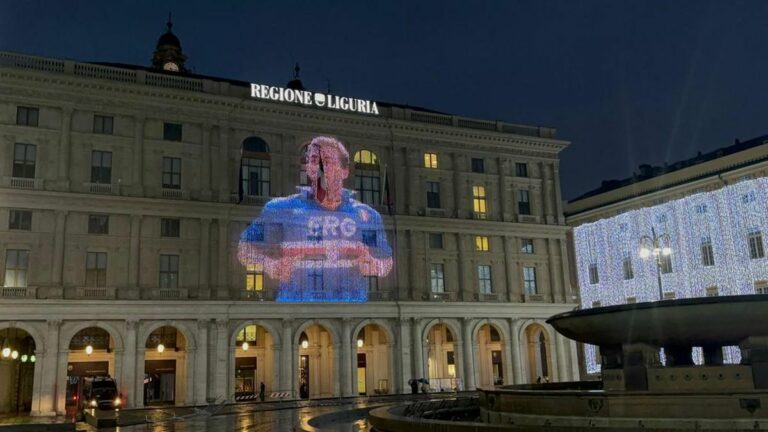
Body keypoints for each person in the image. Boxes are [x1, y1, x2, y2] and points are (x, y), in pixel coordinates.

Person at [238, 136, 393, 302]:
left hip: (352, 308)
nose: (319, 167)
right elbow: (244, 248)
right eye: (313, 160)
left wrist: (375, 265)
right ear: (308, 168)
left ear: (344, 171)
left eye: (327, 161)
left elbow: (386, 261)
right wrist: (270, 265)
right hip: (293, 307)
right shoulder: (280, 208)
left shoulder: (366, 215)